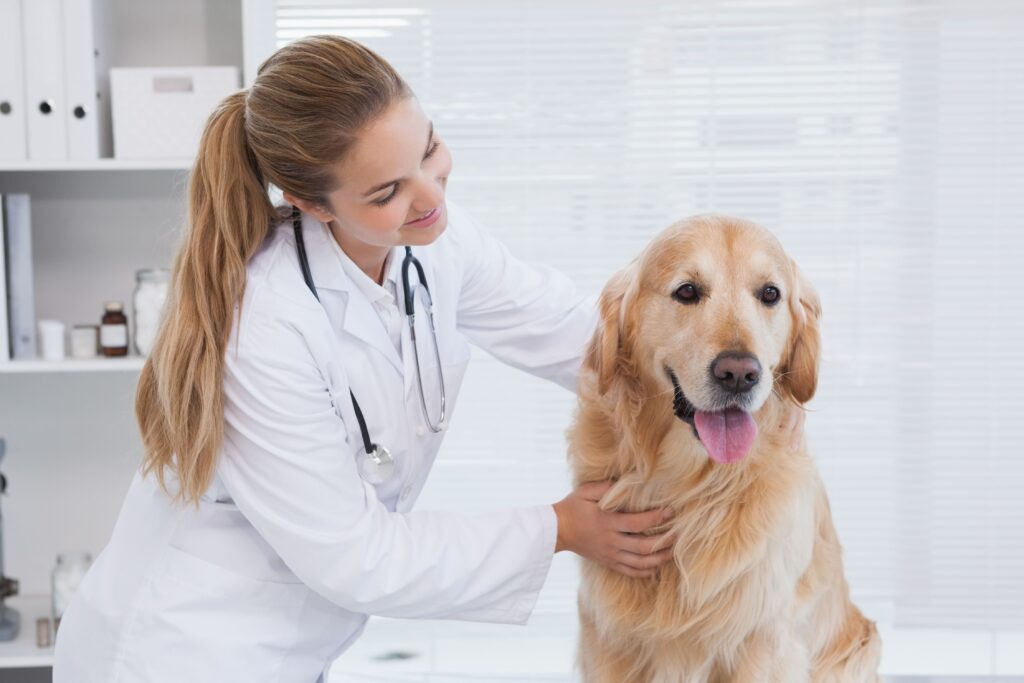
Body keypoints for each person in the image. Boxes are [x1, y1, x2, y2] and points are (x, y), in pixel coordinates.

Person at [52, 35, 802, 682]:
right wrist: (559, 528)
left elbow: (584, 337)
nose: (430, 195)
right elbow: (356, 555)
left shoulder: (433, 242)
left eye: (430, 149)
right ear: (313, 203)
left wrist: (726, 365)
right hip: (180, 651)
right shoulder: (266, 329)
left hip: (290, 645)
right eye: (387, 189)